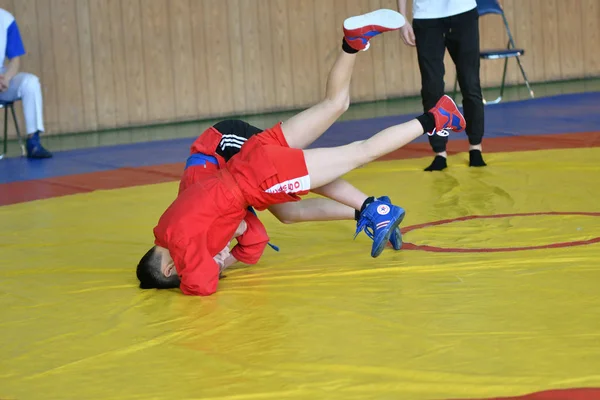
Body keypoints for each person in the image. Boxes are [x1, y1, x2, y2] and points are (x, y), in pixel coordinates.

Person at [136, 9, 466, 296]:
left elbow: (203, 285)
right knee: (335, 104)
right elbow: (246, 239)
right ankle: (352, 43)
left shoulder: (182, 245)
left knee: (359, 152)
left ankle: (436, 118)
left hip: (259, 178)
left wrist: (215, 264)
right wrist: (224, 248)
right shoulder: (167, 224)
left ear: (169, 270)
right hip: (251, 158)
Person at [175, 118, 405, 272]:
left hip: (224, 145)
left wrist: (224, 248)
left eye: (217, 254)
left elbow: (202, 178)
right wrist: (225, 263)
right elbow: (257, 240)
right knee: (287, 213)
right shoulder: (214, 235)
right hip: (234, 177)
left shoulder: (194, 210)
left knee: (299, 176)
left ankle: (368, 205)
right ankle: (368, 210)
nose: (222, 253)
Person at [397, 0, 485, 171]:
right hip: (427, 16)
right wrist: (402, 19)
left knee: (470, 82)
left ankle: (476, 147)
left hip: (463, 12)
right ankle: (440, 151)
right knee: (432, 87)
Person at [0, 8, 51, 158]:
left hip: (2, 78)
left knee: (30, 83)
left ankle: (33, 142)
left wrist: (7, 78)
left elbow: (15, 59)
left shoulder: (5, 19)